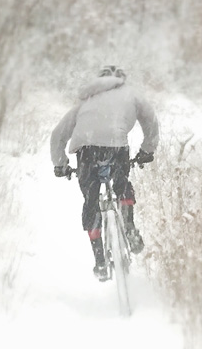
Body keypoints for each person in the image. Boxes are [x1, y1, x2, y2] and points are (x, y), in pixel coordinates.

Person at [50, 65, 159, 280]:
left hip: (87, 151)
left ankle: (100, 261)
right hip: (116, 146)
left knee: (91, 201)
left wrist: (60, 164)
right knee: (121, 183)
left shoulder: (86, 99)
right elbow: (151, 121)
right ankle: (129, 225)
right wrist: (147, 150)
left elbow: (58, 135)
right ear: (121, 79)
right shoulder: (132, 94)